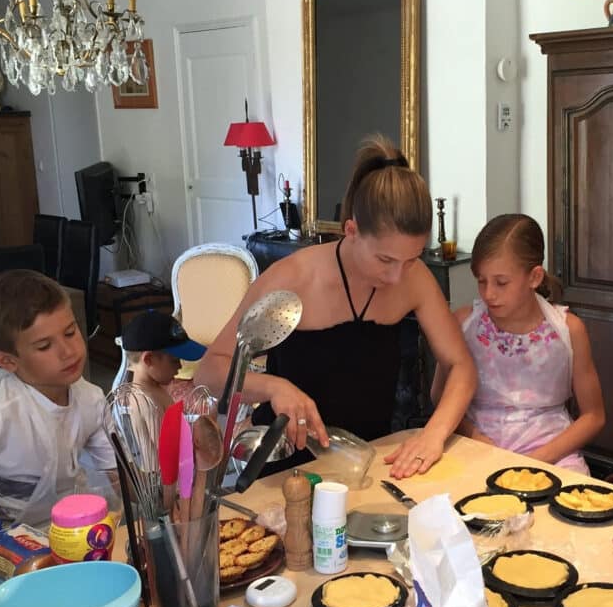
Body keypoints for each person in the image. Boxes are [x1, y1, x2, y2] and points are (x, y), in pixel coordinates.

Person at [194, 135, 477, 479]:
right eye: (385, 259)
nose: (396, 276)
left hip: (366, 459)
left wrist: (434, 434)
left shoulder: (412, 277)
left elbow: (460, 364)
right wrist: (274, 387)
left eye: (410, 259)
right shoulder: (292, 277)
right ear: (351, 230)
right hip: (287, 466)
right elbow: (208, 372)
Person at [0, 270, 115, 527]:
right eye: (44, 346)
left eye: (70, 332)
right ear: (8, 361)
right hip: (6, 547)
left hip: (77, 529)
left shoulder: (91, 400)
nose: (67, 351)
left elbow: (120, 475)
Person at [432, 214, 604, 474]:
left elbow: (594, 416)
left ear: (534, 277)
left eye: (501, 282)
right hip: (476, 447)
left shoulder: (569, 331)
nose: (489, 293)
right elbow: (438, 395)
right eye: (481, 280)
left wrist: (537, 459)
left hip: (552, 454)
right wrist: (473, 436)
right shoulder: (463, 324)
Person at [121, 310, 206, 413]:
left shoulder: (156, 390)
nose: (179, 366)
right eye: (174, 361)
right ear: (149, 359)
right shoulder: (147, 403)